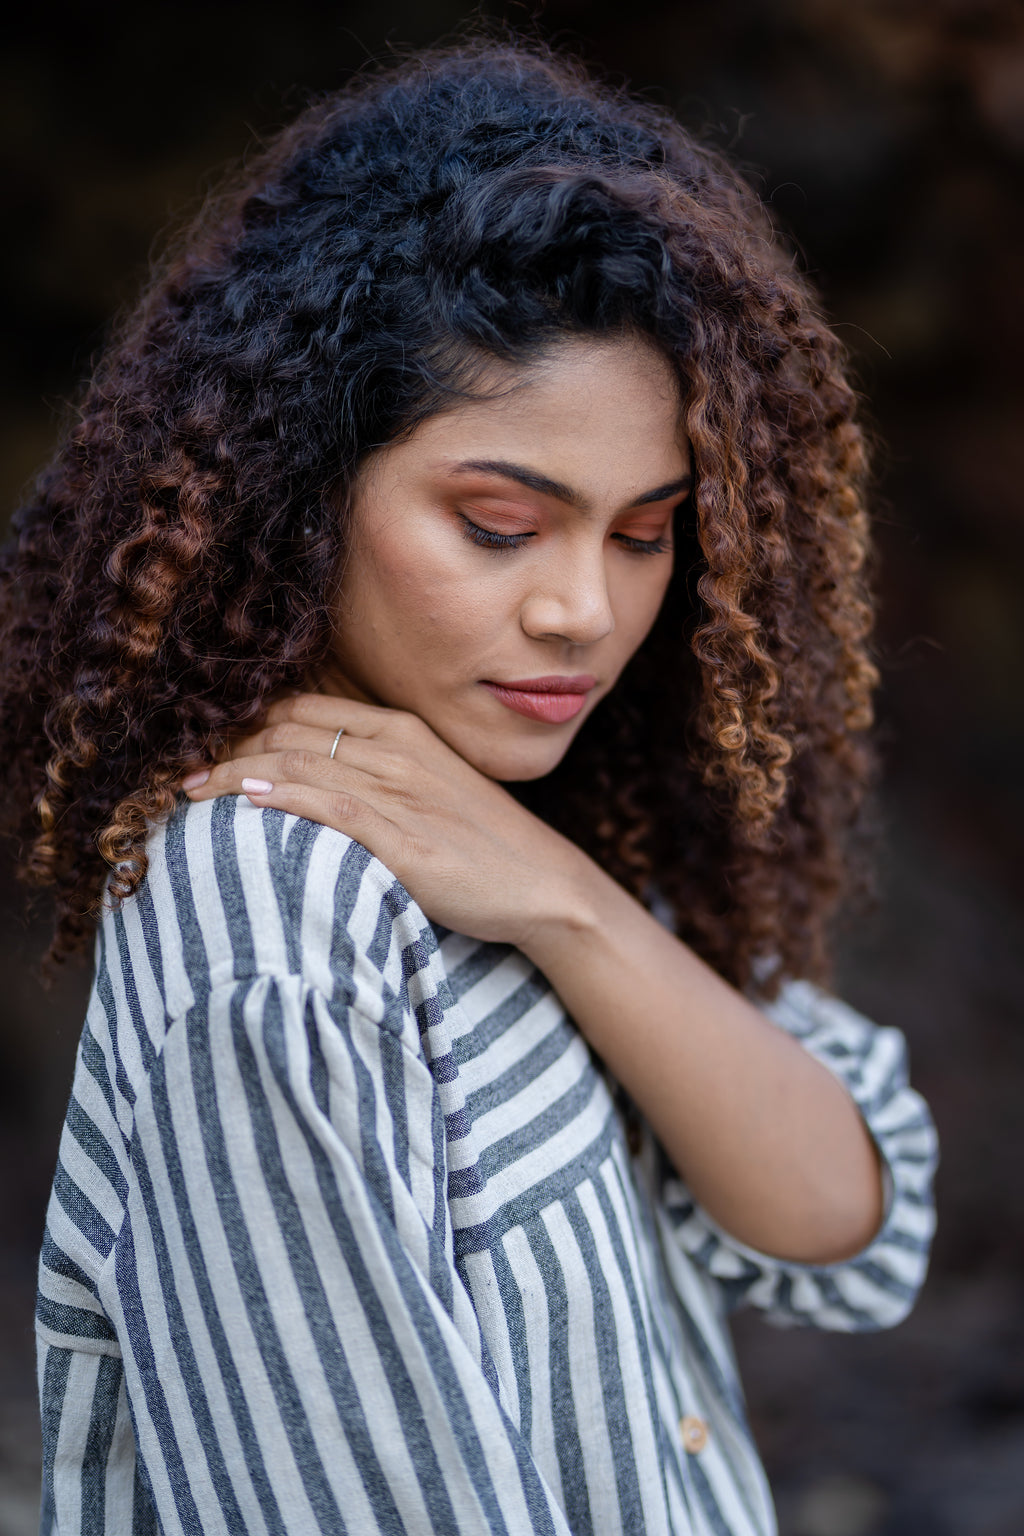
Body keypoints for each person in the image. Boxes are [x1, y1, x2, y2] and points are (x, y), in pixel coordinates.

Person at [2, 38, 937, 1536]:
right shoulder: (272, 919)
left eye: (646, 532)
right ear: (301, 489)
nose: (586, 609)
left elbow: (843, 1221)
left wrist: (570, 906)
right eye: (502, 524)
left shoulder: (513, 819)